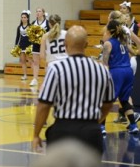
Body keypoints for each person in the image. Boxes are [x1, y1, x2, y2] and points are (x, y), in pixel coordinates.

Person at [32, 25, 115, 157]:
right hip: (91, 132)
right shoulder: (102, 71)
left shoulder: (56, 69)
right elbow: (108, 104)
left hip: (63, 131)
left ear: (65, 44)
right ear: (86, 44)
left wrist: (36, 134)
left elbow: (44, 105)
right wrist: (94, 122)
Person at [100, 19, 139, 135]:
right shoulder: (123, 41)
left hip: (117, 72)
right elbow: (133, 52)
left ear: (109, 30)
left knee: (106, 100)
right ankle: (133, 125)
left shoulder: (108, 43)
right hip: (128, 71)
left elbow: (105, 63)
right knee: (124, 99)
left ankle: (102, 127)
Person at [30, 7, 50, 87]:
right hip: (35, 45)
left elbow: (49, 34)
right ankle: (35, 79)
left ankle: (47, 79)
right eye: (37, 11)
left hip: (45, 45)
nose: (38, 12)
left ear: (43, 13)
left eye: (39, 11)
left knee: (46, 62)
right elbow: (30, 34)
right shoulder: (33, 22)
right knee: (35, 62)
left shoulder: (47, 23)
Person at [14, 10, 31, 80]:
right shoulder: (19, 27)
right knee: (23, 61)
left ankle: (35, 76)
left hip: (29, 46)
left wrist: (32, 45)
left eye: (25, 17)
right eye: (22, 17)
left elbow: (32, 37)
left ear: (27, 18)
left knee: (30, 61)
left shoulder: (30, 26)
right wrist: (16, 46)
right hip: (21, 46)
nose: (23, 19)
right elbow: (17, 37)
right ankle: (25, 75)